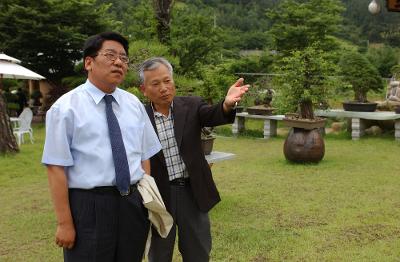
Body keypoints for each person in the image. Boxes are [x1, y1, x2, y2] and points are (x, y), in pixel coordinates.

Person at [42, 32, 162, 262]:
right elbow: (56, 167)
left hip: (132, 204)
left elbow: (144, 154)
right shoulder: (65, 108)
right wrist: (64, 223)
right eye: (110, 55)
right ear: (89, 62)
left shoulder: (133, 104)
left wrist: (144, 199)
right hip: (89, 206)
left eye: (124, 58)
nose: (118, 62)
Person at [138, 57, 249, 262]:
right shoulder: (138, 116)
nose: (164, 88)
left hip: (192, 192)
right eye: (155, 83)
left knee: (198, 252)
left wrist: (226, 104)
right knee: (159, 254)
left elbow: (212, 115)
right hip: (159, 196)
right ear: (143, 89)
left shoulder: (191, 105)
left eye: (167, 80)